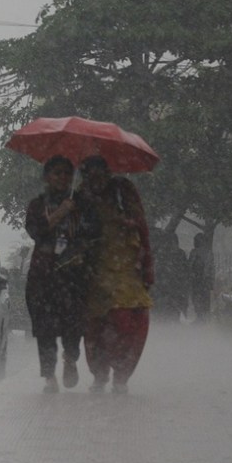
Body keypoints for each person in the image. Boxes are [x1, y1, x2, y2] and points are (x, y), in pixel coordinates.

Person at [77, 156, 153, 394]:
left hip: (127, 272)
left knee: (128, 326)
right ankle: (99, 375)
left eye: (100, 175)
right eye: (90, 176)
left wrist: (125, 221)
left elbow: (141, 226)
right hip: (94, 273)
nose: (96, 181)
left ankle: (121, 376)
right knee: (94, 329)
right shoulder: (79, 196)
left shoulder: (123, 190)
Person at [23, 155, 86, 393]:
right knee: (45, 328)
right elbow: (36, 232)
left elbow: (93, 231)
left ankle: (70, 359)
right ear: (46, 177)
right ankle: (49, 376)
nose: (62, 178)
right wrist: (60, 213)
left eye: (67, 173)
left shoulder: (81, 204)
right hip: (44, 277)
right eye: (57, 173)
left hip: (74, 277)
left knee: (74, 325)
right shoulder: (37, 205)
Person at [188, 232, 214, 323]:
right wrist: (211, 282)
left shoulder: (194, 252)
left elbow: (190, 266)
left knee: (197, 298)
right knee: (204, 299)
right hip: (204, 281)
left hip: (197, 280)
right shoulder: (209, 253)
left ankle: (200, 317)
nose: (194, 242)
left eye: (195, 240)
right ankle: (203, 317)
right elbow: (211, 268)